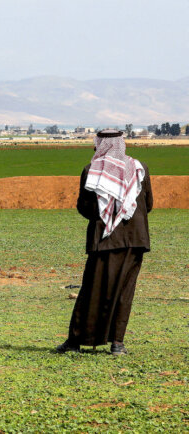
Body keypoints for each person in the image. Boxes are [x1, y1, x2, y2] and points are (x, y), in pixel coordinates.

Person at [57, 129, 152, 356]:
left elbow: (86, 208)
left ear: (99, 145)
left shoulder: (92, 171)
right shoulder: (139, 169)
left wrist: (107, 217)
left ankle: (76, 341)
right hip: (135, 240)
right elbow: (147, 204)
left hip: (104, 240)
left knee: (92, 289)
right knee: (124, 291)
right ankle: (117, 344)